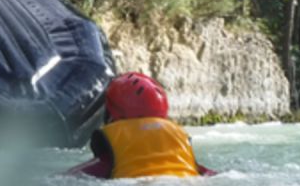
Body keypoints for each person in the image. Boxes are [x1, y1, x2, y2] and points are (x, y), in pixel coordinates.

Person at [66, 72, 215, 179]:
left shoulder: (116, 145)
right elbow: (205, 172)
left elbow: (82, 174)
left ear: (112, 113)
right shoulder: (177, 139)